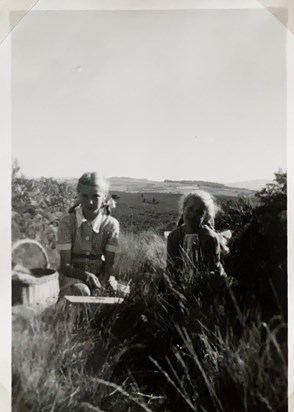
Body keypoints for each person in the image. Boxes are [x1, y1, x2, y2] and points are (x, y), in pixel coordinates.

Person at [57, 171, 119, 296]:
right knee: (82, 291)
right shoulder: (68, 222)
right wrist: (85, 276)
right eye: (85, 195)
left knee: (120, 294)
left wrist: (111, 279)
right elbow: (65, 266)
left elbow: (109, 265)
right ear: (78, 195)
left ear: (104, 197)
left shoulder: (110, 225)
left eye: (95, 196)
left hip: (98, 277)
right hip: (71, 277)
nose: (89, 202)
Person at [166, 190, 230, 275]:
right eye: (190, 209)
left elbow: (214, 270)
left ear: (206, 217)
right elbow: (171, 268)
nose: (193, 215)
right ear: (184, 208)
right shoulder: (174, 237)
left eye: (199, 212)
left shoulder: (210, 238)